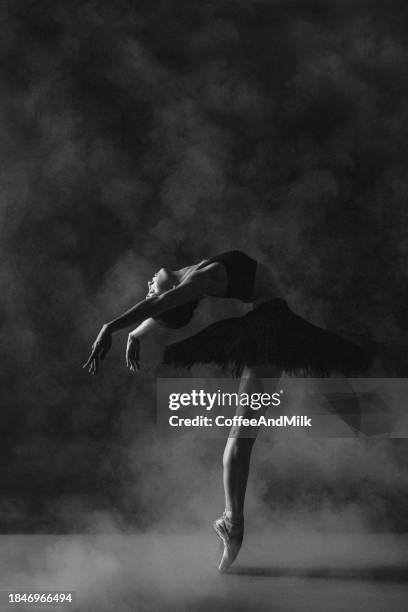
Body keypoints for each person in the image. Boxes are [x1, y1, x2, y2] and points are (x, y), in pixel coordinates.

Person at [83, 250, 371, 572]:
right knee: (242, 435)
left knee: (246, 431)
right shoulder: (199, 280)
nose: (148, 286)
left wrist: (125, 329)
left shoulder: (198, 278)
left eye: (151, 291)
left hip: (271, 323)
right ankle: (233, 524)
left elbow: (163, 302)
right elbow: (163, 302)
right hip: (269, 326)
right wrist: (123, 328)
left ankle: (233, 523)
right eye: (152, 292)